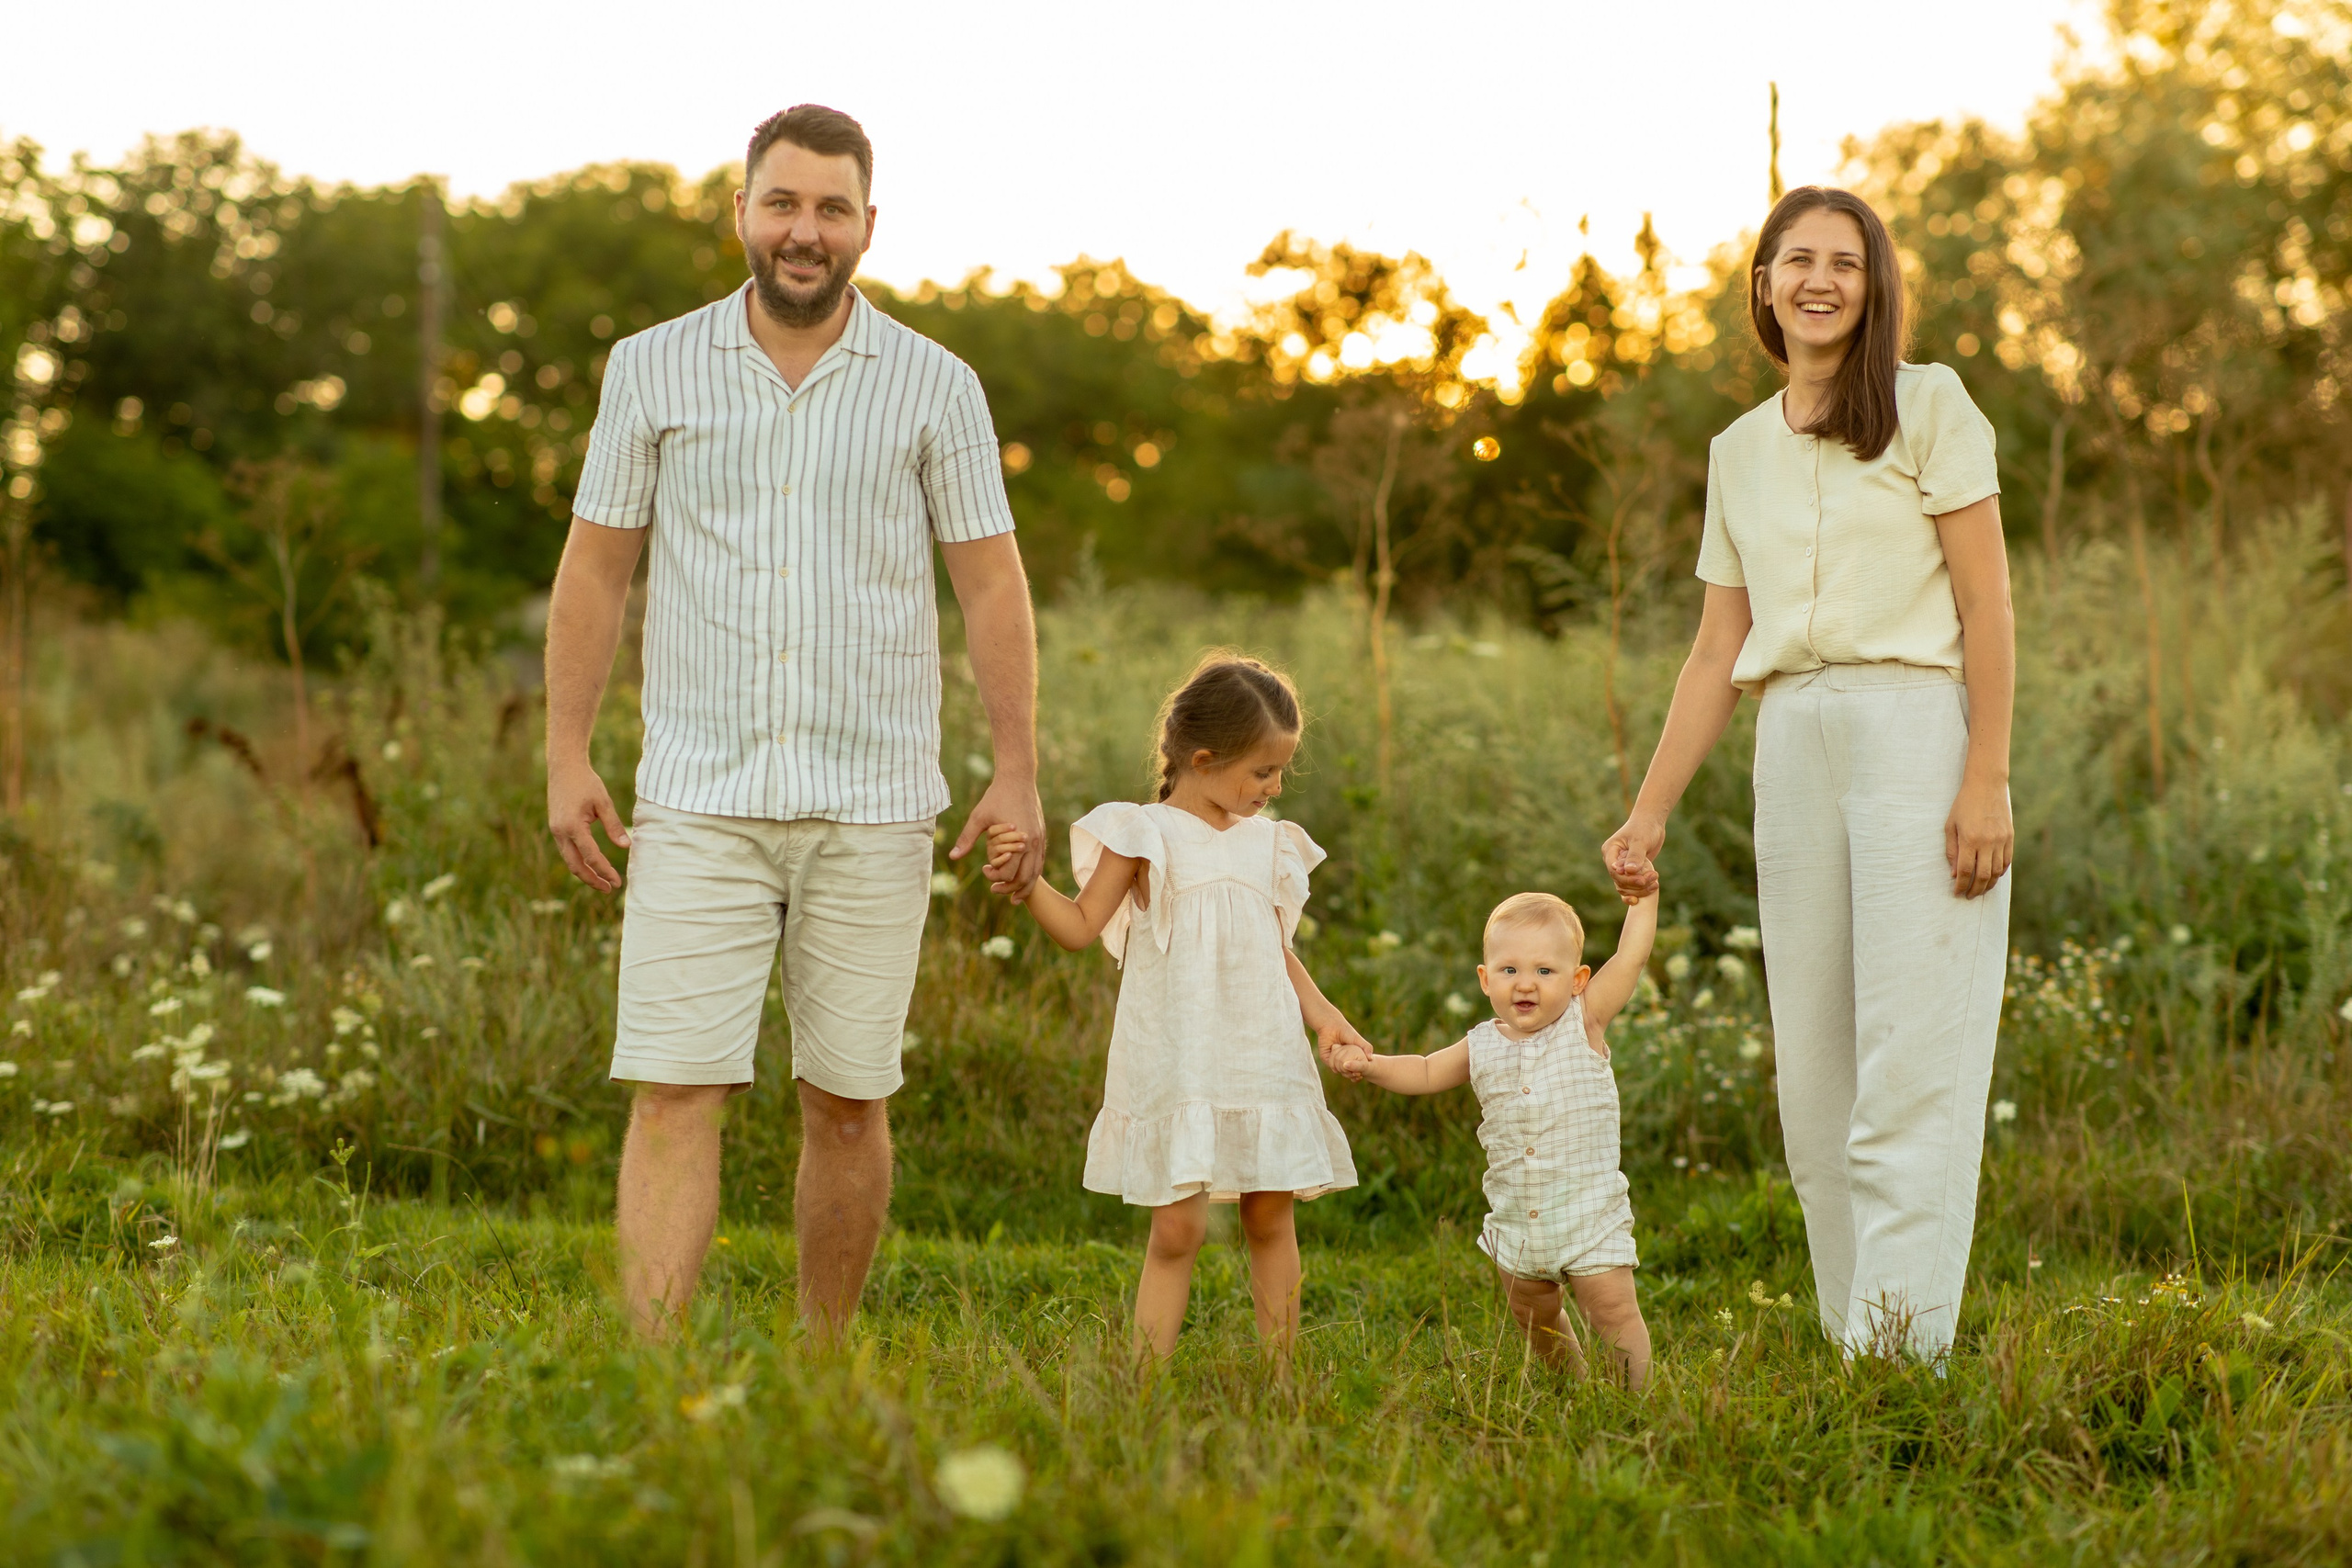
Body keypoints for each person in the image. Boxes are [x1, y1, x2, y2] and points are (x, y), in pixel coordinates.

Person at [543, 104, 1046, 1342]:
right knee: (674, 1090)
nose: (804, 231)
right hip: (698, 795)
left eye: (831, 208)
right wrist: (564, 753)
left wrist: (1018, 769)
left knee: (847, 1100)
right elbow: (596, 567)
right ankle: (655, 1376)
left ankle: (822, 1367)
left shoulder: (937, 385)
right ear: (743, 213)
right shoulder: (649, 367)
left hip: (873, 800)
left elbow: (991, 582)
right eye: (782, 203)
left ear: (869, 224)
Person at [1602, 186, 2016, 1360]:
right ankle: (1856, 1343)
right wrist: (1647, 813)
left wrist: (1984, 776)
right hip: (1791, 738)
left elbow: (1986, 602)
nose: (1820, 280)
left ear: (1874, 284)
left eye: (1845, 261)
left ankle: (1902, 1354)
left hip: (1913, 728)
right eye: (1798, 260)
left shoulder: (1929, 405)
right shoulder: (1738, 450)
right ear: (1764, 285)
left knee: (1910, 1057)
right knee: (1817, 1074)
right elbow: (1716, 648)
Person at [979, 654, 1367, 1360]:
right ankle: (1143, 1381)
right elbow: (1079, 927)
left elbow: (1275, 949)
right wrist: (1029, 884)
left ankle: (1282, 1377)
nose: (1276, 787)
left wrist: (1325, 1015)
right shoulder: (1143, 834)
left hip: (1262, 1051)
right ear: (1203, 759)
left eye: (1281, 770)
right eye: (1263, 771)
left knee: (1271, 1217)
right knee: (1177, 1229)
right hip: (1179, 1056)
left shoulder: (1268, 843)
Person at [1329, 890, 1657, 1386]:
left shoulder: (1584, 1020)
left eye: (1544, 970)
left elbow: (1631, 957)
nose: (1525, 983)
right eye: (1509, 970)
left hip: (1589, 1213)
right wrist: (1369, 1066)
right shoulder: (1480, 1043)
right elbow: (1423, 1071)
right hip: (1516, 1214)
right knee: (1532, 1313)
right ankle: (1569, 1383)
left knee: (1612, 1311)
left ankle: (1634, 1398)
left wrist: (1644, 898)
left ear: (1577, 980)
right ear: (1485, 980)